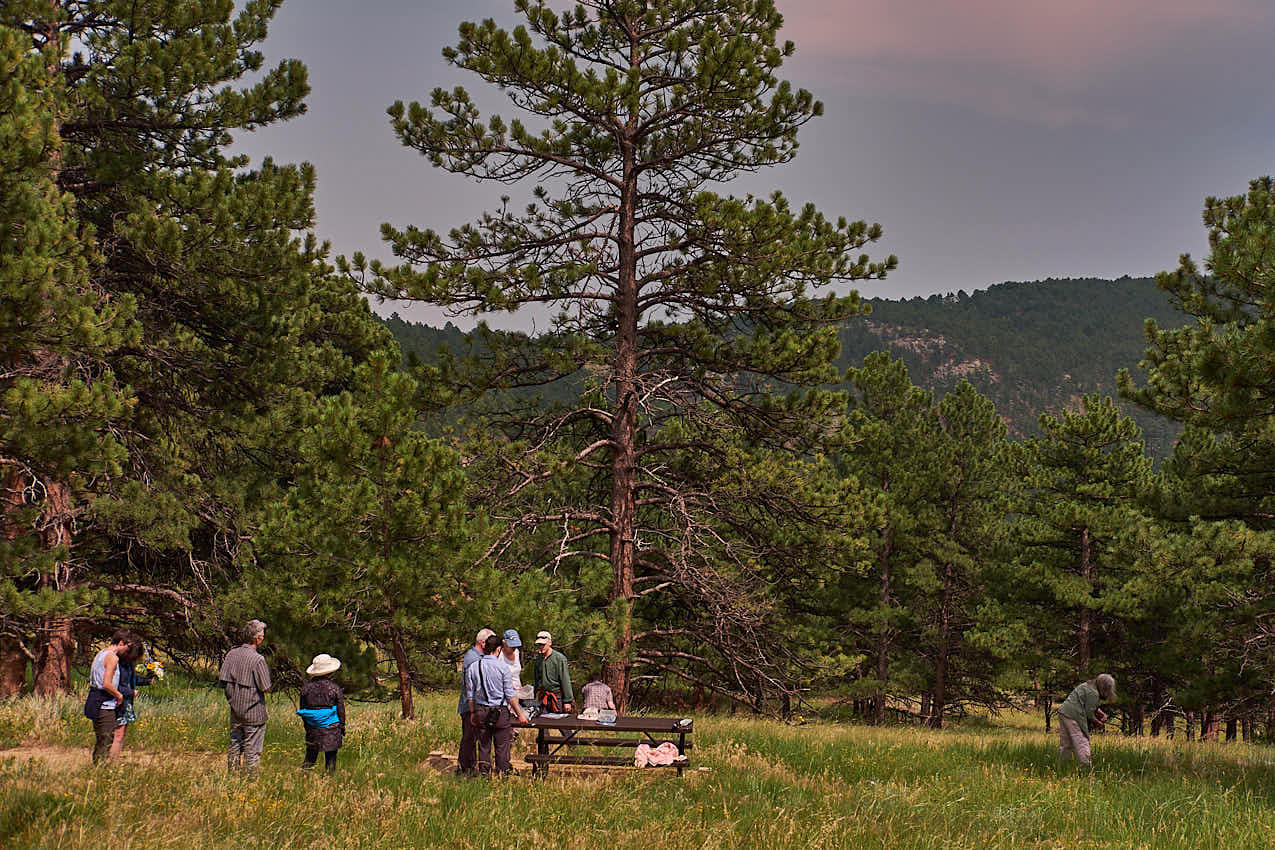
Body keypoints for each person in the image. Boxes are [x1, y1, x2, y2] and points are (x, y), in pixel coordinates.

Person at [464, 633, 530, 776]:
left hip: (480, 710)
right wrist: (520, 715)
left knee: (483, 745)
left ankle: (484, 775)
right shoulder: (502, 668)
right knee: (502, 746)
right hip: (500, 711)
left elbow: (471, 695)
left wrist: (473, 713)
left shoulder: (473, 667)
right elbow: (510, 695)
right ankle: (503, 773)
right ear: (499, 649)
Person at [219, 619, 272, 775]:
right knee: (252, 750)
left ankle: (232, 777)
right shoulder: (258, 659)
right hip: (254, 712)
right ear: (258, 638)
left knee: (235, 745)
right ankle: (250, 781)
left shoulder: (231, 654)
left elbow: (223, 681)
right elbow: (266, 687)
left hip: (235, 709)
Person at [84, 630, 138, 764]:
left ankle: (98, 766)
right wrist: (119, 696)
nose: (127, 651)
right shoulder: (112, 658)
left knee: (102, 739)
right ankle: (100, 769)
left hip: (95, 700)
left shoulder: (100, 654)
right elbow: (107, 684)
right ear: (121, 642)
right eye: (128, 647)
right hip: (105, 703)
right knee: (106, 739)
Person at [297, 653, 345, 775]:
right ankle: (328, 784)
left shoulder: (306, 688)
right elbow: (340, 710)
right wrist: (342, 727)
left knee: (310, 758)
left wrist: (308, 727)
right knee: (331, 760)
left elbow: (303, 711)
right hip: (332, 728)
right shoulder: (334, 688)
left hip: (313, 729)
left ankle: (302, 779)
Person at [1057, 673, 1117, 767]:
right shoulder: (1093, 693)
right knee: (1081, 740)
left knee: (1066, 743)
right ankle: (1085, 766)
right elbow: (1089, 713)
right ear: (1105, 687)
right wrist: (1098, 723)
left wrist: (1102, 714)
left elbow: (1090, 705)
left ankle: (1063, 766)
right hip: (1073, 715)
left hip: (1064, 712)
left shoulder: (1088, 685)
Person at [457, 627, 495, 775]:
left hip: (472, 704)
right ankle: (465, 769)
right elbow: (470, 685)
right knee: (469, 738)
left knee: (471, 738)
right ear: (483, 643)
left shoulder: (475, 656)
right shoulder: (474, 658)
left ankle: (469, 767)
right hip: (469, 705)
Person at [109, 640, 151, 758]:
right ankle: (112, 761)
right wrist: (131, 692)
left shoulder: (129, 665)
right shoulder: (118, 664)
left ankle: (113, 759)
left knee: (121, 734)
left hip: (127, 702)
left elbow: (132, 680)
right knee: (118, 734)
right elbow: (115, 684)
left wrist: (148, 680)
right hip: (119, 702)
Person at [532, 631, 574, 714]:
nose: (541, 647)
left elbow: (565, 680)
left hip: (557, 698)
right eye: (539, 644)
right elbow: (536, 679)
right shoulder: (538, 659)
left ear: (550, 643)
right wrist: (534, 696)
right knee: (542, 723)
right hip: (542, 697)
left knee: (562, 724)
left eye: (543, 644)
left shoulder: (559, 659)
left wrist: (567, 701)